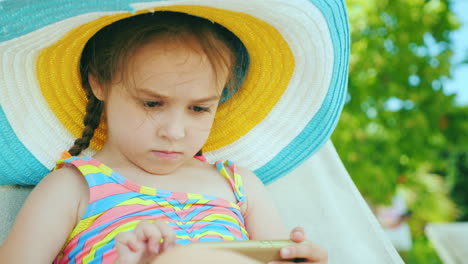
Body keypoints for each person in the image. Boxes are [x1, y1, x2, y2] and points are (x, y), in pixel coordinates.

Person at [0, 11, 327, 264]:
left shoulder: (239, 185)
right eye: (152, 103)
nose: (174, 132)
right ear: (98, 83)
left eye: (199, 108)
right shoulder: (71, 188)